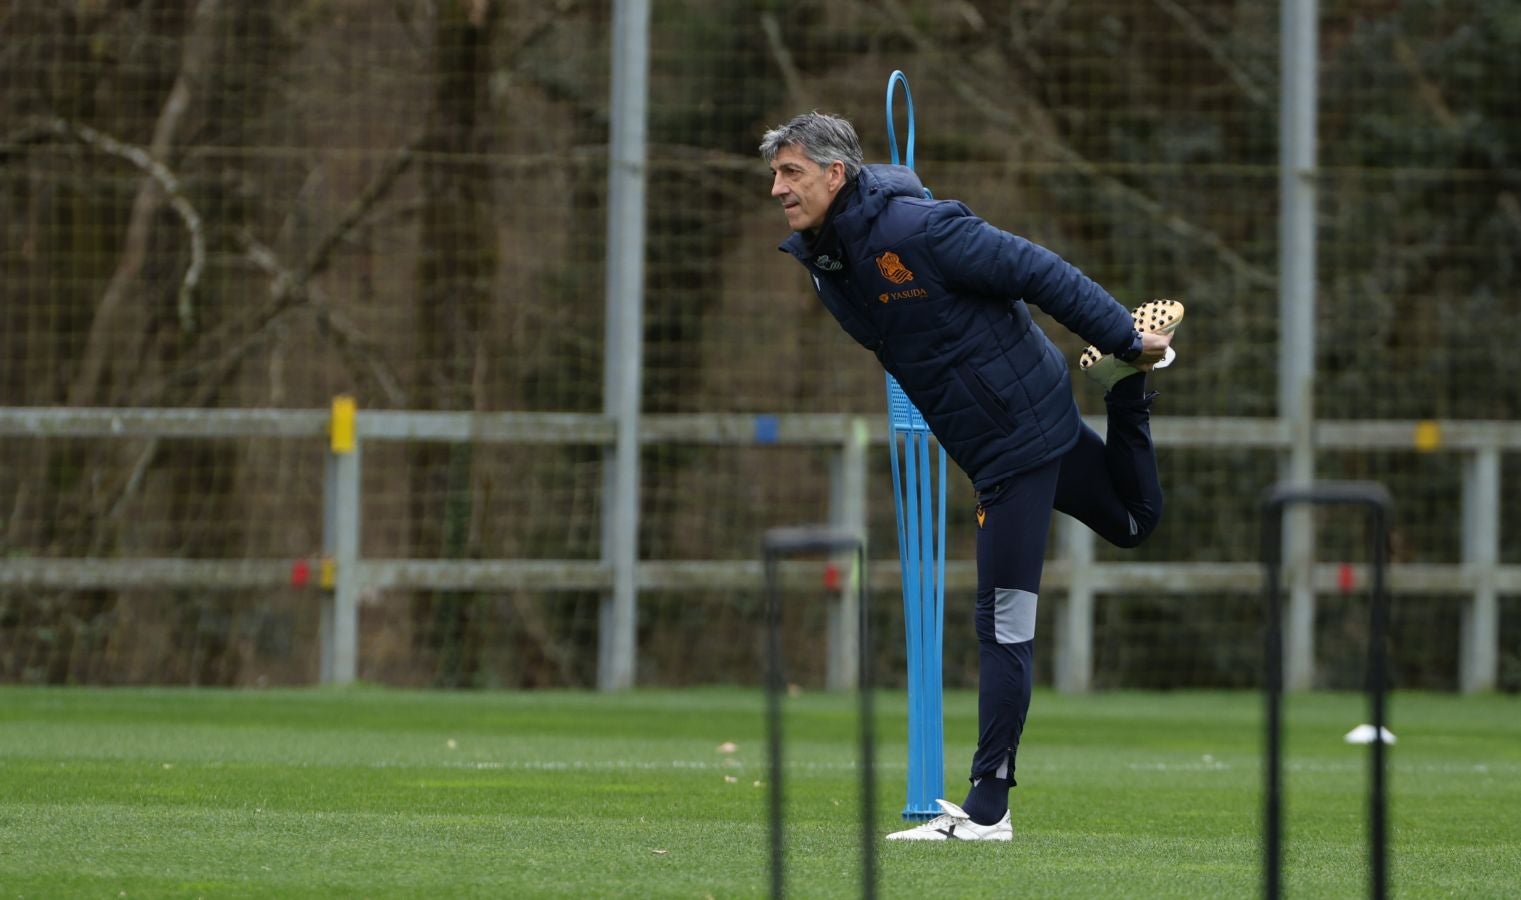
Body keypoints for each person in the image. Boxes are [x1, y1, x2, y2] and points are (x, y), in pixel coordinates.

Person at [760, 112, 1183, 842]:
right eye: (773, 174)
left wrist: (1121, 333)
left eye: (790, 173)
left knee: (1002, 627)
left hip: (1013, 445)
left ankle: (988, 809)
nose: (776, 189)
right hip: (1016, 429)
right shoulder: (826, 261)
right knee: (1133, 523)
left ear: (835, 174)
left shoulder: (919, 229)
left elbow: (1037, 270)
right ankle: (1123, 389)